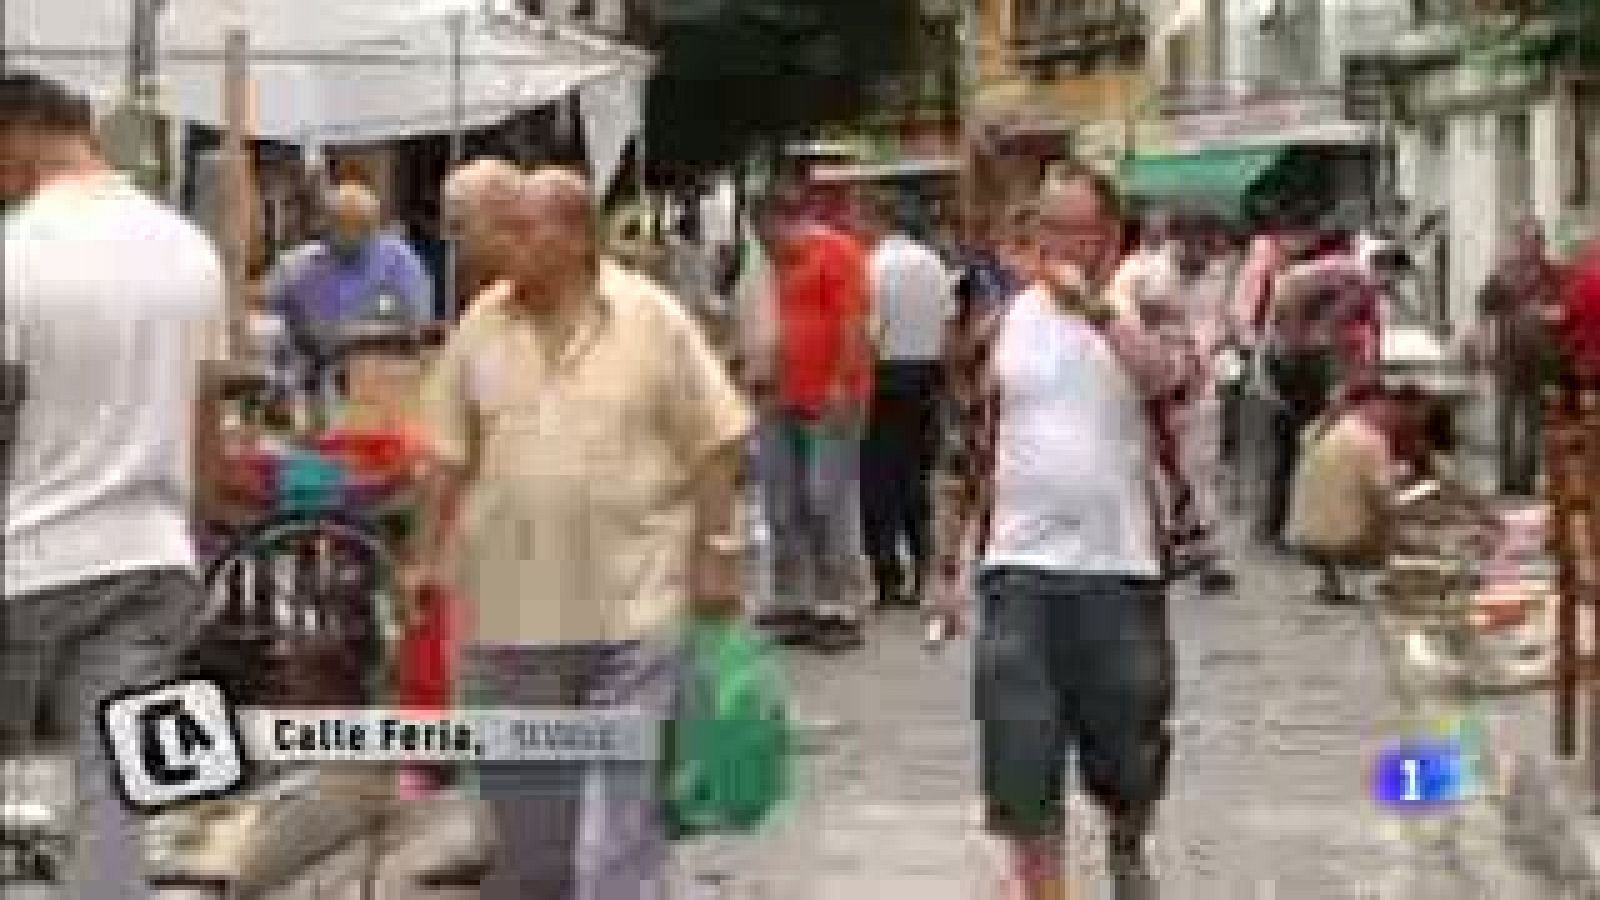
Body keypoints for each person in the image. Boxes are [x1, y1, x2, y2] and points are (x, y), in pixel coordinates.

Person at [410, 166, 752, 899]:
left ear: (577, 238)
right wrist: (420, 560)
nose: (506, 243)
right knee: (533, 844)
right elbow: (444, 451)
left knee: (617, 834)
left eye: (524, 228)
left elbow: (717, 440)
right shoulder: (481, 324)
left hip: (633, 606)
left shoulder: (652, 318)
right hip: (510, 616)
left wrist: (719, 555)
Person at [0, 71, 231, 899]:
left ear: (20, 132)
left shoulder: (16, 248)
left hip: (26, 558)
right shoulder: (188, 249)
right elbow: (207, 424)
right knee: (115, 795)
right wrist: (197, 544)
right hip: (149, 556)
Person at [933, 166, 1182, 900]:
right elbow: (962, 449)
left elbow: (1170, 379)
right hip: (1017, 568)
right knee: (1020, 746)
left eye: (1079, 229)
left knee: (1128, 745)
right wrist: (944, 568)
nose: (1064, 244)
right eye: (1050, 227)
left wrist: (1102, 316)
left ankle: (1127, 837)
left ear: (1110, 235)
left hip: (1122, 565)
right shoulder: (1000, 321)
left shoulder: (1146, 304)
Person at [750, 185, 874, 652]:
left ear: (787, 222)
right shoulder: (773, 267)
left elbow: (854, 322)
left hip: (830, 399)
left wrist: (844, 381)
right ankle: (793, 599)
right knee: (783, 502)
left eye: (770, 235)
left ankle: (841, 601)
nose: (769, 247)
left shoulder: (837, 254)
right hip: (781, 397)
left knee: (828, 500)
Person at [857, 191, 956, 609]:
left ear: (878, 222)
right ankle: (922, 566)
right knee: (917, 476)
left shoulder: (874, 266)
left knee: (879, 480)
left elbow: (871, 332)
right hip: (927, 375)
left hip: (886, 378)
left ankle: (887, 575)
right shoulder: (934, 263)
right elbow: (949, 325)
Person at [1286, 380, 1402, 606]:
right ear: (1372, 404)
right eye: (1385, 406)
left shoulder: (1317, 432)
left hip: (1303, 536)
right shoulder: (1372, 439)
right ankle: (1362, 578)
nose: (1388, 413)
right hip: (1346, 541)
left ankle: (1331, 579)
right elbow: (1383, 496)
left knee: (1341, 504)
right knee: (1389, 514)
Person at [1473, 216, 1566, 496]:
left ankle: (1526, 479)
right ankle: (1507, 480)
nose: (1533, 245)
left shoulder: (1554, 274)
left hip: (1542, 357)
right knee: (1505, 418)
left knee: (1534, 420)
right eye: (1528, 240)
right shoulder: (1502, 275)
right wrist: (1485, 345)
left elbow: (1564, 311)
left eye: (1538, 239)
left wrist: (1552, 315)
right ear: (1518, 242)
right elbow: (1485, 312)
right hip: (1508, 354)